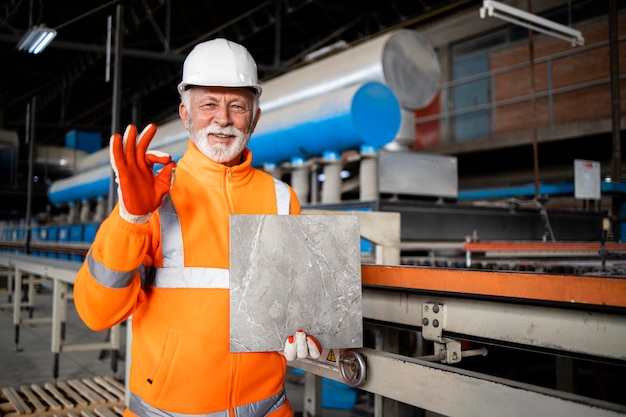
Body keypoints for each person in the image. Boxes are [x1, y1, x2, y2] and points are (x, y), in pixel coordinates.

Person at [73, 38, 321, 417]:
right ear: (186, 115)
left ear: (254, 117)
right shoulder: (155, 196)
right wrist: (131, 219)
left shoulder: (282, 198)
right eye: (208, 105)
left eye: (237, 106)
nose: (222, 119)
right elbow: (96, 312)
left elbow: (295, 302)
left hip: (268, 409)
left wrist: (305, 328)